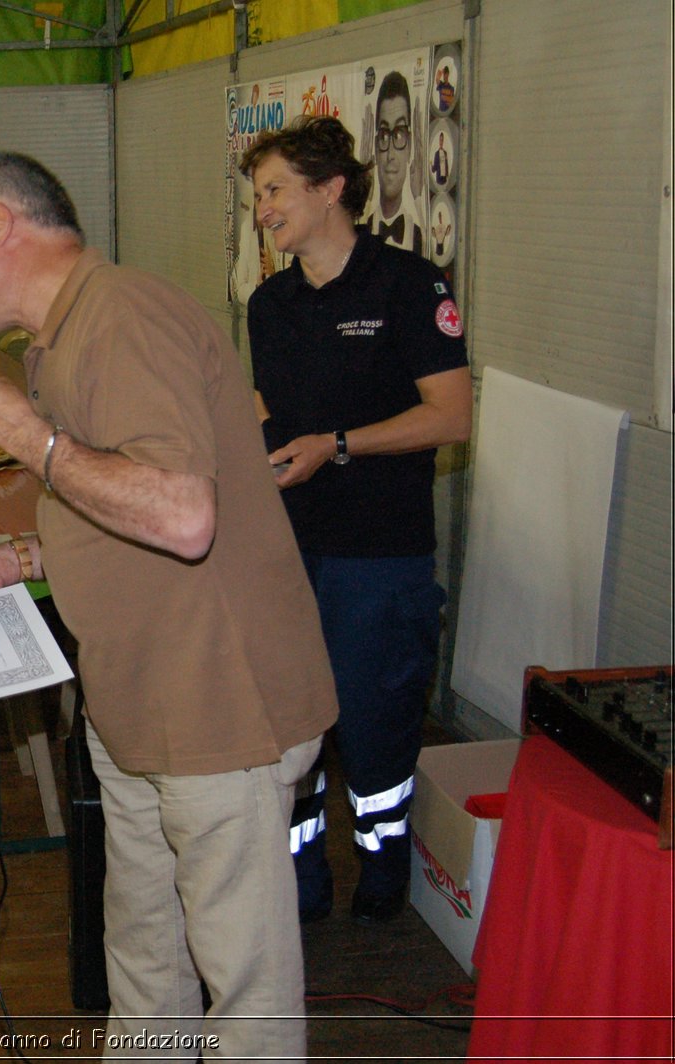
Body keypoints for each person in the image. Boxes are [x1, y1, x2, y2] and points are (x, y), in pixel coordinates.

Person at [0, 151, 337, 1061]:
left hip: (216, 709)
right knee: (146, 961)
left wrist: (19, 433)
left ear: (3, 225)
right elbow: (126, 500)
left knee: (246, 991)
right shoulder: (62, 339)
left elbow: (185, 516)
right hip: (138, 705)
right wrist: (26, 556)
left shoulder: (122, 315)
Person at [240, 116, 472, 925]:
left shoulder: (409, 285)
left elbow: (451, 417)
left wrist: (335, 445)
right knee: (288, 721)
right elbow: (269, 411)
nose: (262, 209)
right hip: (287, 550)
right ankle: (300, 881)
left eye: (274, 190)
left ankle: (384, 872)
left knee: (375, 724)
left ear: (330, 188)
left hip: (380, 553)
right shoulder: (268, 303)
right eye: (257, 195)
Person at [365, 72, 424, 254]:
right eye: (383, 135)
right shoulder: (361, 228)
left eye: (399, 135)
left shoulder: (418, 233)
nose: (390, 154)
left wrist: (419, 199)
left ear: (410, 145)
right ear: (375, 147)